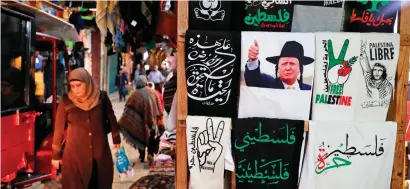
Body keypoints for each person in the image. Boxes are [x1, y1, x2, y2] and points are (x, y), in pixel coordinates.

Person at [51, 68, 121, 189]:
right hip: (75, 155)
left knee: (100, 184)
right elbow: (59, 129)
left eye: (78, 85)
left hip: (99, 154)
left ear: (87, 82)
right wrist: (55, 156)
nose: (75, 89)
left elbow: (112, 119)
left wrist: (116, 139)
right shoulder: (66, 101)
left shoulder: (102, 98)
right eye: (72, 86)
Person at [119, 75, 163, 165]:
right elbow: (159, 106)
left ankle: (142, 156)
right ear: (145, 82)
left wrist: (123, 121)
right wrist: (159, 118)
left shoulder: (134, 94)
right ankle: (150, 153)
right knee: (152, 137)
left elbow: (128, 108)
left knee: (139, 136)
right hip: (152, 121)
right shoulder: (153, 92)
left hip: (139, 122)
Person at [244, 40, 314, 90]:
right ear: (278, 67)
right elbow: (253, 80)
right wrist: (253, 60)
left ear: (300, 68)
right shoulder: (268, 84)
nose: (288, 67)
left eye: (292, 64)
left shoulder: (309, 89)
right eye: (284, 64)